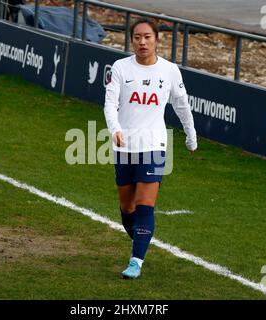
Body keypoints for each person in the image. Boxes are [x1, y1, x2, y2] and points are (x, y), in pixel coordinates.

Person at [104, 18, 197, 279]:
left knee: (145, 205)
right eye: (137, 37)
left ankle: (136, 261)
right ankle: (142, 241)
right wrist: (115, 130)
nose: (142, 42)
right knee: (127, 208)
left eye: (147, 37)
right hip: (125, 145)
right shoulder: (121, 68)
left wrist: (191, 136)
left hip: (155, 146)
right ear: (131, 39)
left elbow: (182, 105)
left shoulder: (169, 71)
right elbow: (110, 104)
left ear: (157, 39)